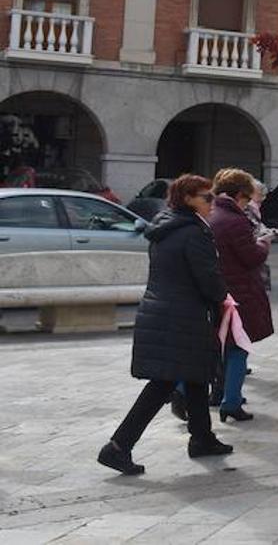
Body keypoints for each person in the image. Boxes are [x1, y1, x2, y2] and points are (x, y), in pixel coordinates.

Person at [98, 175, 233, 475]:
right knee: (164, 383)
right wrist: (223, 296)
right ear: (187, 199)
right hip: (182, 315)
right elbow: (208, 280)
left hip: (163, 310)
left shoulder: (165, 225)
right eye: (206, 197)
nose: (212, 203)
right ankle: (118, 446)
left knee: (195, 374)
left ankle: (202, 438)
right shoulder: (194, 232)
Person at [208, 168, 271, 422]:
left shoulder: (211, 215)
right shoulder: (235, 221)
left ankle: (220, 394)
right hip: (239, 293)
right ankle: (231, 401)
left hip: (218, 290)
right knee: (238, 348)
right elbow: (251, 257)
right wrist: (263, 244)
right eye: (246, 198)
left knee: (221, 346)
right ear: (239, 195)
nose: (247, 203)